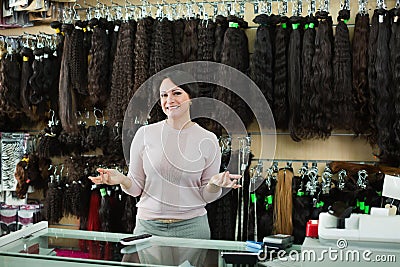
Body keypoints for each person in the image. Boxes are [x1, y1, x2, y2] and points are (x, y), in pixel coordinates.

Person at [89, 71, 241, 239]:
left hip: (192, 228)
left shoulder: (208, 139)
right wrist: (122, 180)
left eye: (177, 93)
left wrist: (214, 185)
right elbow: (136, 188)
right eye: (164, 95)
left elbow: (206, 196)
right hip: (148, 226)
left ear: (191, 98)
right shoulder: (144, 134)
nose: (169, 100)